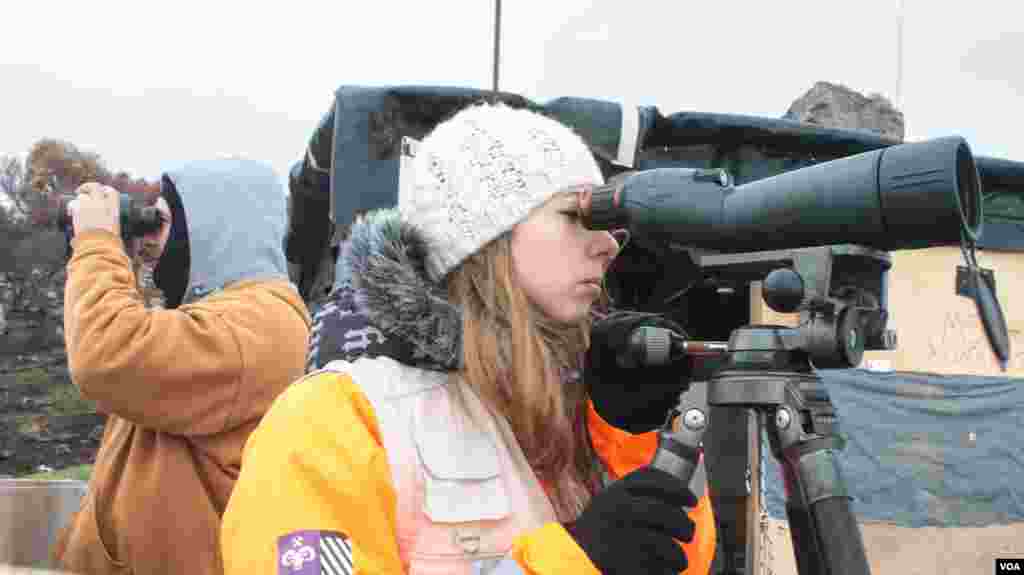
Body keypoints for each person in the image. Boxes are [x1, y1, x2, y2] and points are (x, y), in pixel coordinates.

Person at [220, 104, 717, 574]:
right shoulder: (332, 419)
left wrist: (631, 435)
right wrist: (570, 561)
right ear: (483, 235)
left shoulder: (565, 402)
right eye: (576, 216)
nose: (609, 244)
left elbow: (675, 560)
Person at [52, 158, 312, 575]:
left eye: (164, 221)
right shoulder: (229, 315)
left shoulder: (260, 324)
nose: (152, 238)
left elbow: (105, 354)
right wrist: (120, 257)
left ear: (213, 229)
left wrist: (99, 241)